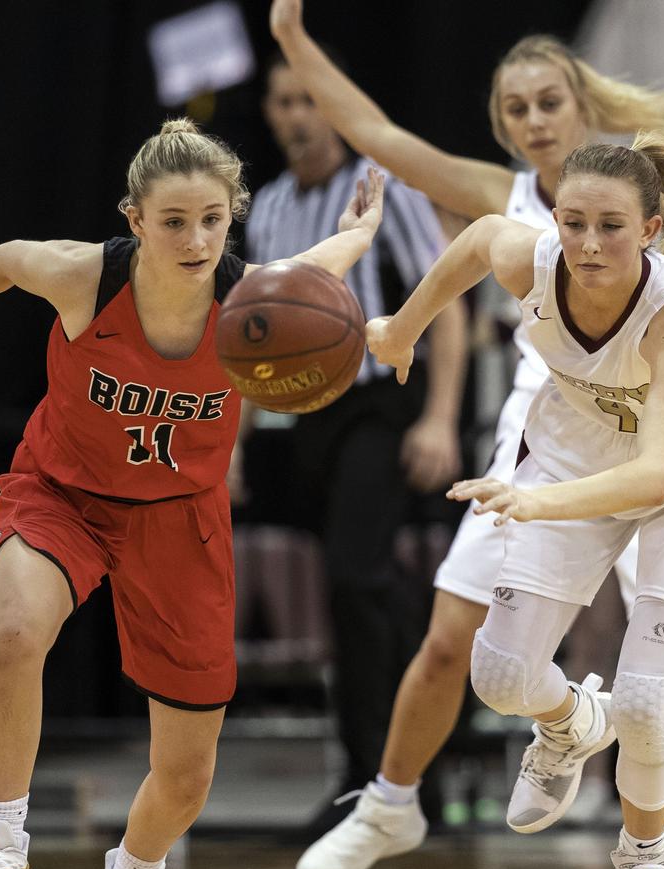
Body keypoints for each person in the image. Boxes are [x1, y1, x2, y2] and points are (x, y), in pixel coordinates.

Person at [271, 0, 664, 869]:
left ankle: (653, 862)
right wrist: (397, 329)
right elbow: (458, 228)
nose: (533, 121)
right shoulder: (525, 229)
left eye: (548, 101)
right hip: (563, 432)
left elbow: (662, 463)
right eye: (515, 109)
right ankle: (497, 756)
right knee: (482, 661)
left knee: (653, 679)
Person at [0, 119, 387, 869]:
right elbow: (2, 260)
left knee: (187, 772)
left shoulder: (256, 304)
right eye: (173, 220)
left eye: (213, 218)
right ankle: (0, 846)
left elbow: (326, 267)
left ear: (231, 218)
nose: (196, 237)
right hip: (61, 493)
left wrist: (358, 231)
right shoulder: (84, 278)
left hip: (181, 518)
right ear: (134, 220)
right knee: (18, 631)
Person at [368, 134, 664, 869]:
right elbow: (477, 241)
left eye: (612, 227)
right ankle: (570, 723)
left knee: (652, 696)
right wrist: (403, 330)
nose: (589, 244)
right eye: (574, 222)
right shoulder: (535, 259)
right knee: (501, 674)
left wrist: (537, 500)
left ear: (653, 228)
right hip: (578, 449)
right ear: (555, 219)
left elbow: (657, 475)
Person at [244, 52, 467, 820]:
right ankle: (393, 774)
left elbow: (451, 302)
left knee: (352, 575)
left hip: (383, 401)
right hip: (307, 414)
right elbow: (251, 335)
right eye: (283, 101)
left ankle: (380, 778)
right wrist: (237, 445)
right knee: (357, 589)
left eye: (310, 99)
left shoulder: (383, 185)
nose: (298, 114)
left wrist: (440, 417)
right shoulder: (268, 206)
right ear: (269, 113)